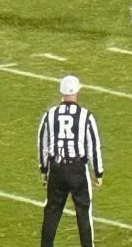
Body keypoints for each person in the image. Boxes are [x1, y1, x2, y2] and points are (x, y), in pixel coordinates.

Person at [38, 75, 104, 247]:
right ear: (77, 93)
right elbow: (94, 144)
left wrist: (44, 170)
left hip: (57, 169)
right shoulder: (85, 116)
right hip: (77, 170)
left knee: (52, 212)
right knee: (83, 213)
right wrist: (98, 172)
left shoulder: (50, 115)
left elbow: (43, 143)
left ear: (61, 92)